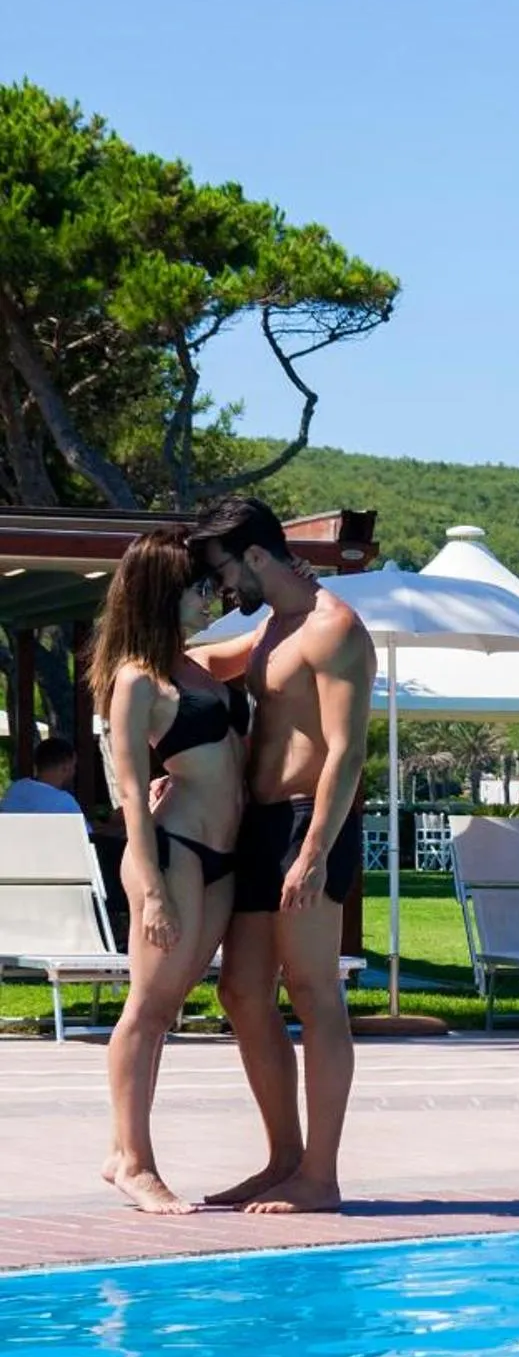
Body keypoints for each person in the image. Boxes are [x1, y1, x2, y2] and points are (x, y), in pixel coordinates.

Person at [188, 497, 374, 1215]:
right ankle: (284, 1159)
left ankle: (320, 1177)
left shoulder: (334, 629)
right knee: (241, 991)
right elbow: (207, 662)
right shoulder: (274, 627)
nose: (222, 587)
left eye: (224, 571)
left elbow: (346, 751)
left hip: (308, 825)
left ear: (258, 556)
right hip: (262, 826)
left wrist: (316, 851)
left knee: (314, 992)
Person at [89, 530, 249, 1214]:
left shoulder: (199, 666)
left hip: (221, 855)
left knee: (169, 1006)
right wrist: (152, 890)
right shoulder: (137, 679)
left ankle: (120, 1150)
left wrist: (299, 581)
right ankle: (135, 1163)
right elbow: (130, 788)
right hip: (173, 851)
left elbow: (276, 639)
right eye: (197, 588)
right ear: (162, 594)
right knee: (148, 1008)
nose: (210, 597)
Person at [1, 736, 84, 820]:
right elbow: (84, 828)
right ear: (66, 767)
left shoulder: (16, 789)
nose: (74, 771)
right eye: (74, 766)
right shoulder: (64, 802)